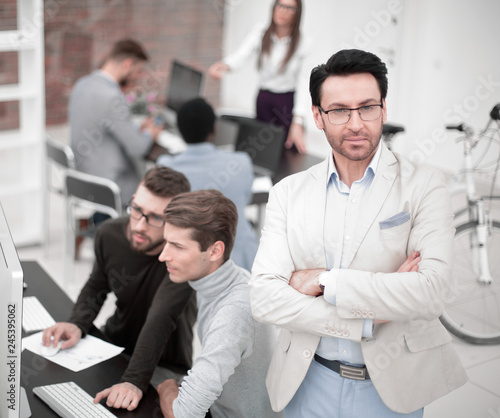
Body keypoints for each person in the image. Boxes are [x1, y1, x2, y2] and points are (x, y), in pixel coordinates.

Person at [248, 49, 468, 417]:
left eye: (367, 107)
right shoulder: (288, 193)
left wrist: (324, 281)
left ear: (384, 108)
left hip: (391, 391)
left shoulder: (426, 185)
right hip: (306, 382)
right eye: (339, 110)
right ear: (317, 116)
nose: (355, 123)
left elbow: (432, 294)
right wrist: (367, 319)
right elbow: (264, 299)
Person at [42, 166, 197, 412]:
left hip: (165, 364)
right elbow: (96, 285)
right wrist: (77, 322)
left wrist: (133, 381)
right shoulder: (109, 234)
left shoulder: (182, 259)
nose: (140, 226)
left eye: (156, 217)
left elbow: (160, 318)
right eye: (137, 209)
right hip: (114, 345)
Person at [156, 190, 281, 418]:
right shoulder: (228, 279)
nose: (163, 255)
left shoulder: (233, 313)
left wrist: (167, 389)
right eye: (166, 242)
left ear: (215, 251)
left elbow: (183, 415)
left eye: (178, 246)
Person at [157, 97, 259, 271]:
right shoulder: (241, 163)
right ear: (214, 129)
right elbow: (246, 198)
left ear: (180, 130)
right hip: (243, 261)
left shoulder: (166, 167)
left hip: (191, 262)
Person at [69, 38, 163, 205]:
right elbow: (138, 148)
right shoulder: (112, 97)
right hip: (110, 187)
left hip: (81, 180)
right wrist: (151, 133)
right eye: (138, 71)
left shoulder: (81, 84)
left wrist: (134, 128)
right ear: (128, 65)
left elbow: (103, 125)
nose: (137, 77)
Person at [208, 0, 311, 154]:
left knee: (287, 150)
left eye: (289, 8)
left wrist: (298, 121)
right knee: (262, 151)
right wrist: (224, 66)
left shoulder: (303, 42)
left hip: (286, 104)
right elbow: (241, 56)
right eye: (280, 5)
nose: (283, 11)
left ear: (297, 13)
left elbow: (304, 83)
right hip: (264, 100)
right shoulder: (260, 33)